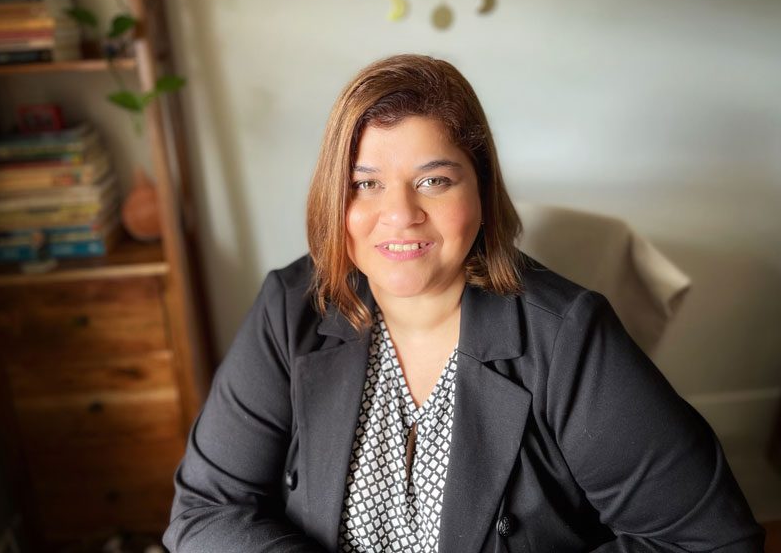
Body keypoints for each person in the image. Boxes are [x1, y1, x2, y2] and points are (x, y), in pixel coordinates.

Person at [163, 54, 764, 552]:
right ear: (334, 199)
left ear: (480, 192)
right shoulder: (288, 309)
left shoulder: (567, 336)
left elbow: (708, 540)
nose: (400, 214)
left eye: (434, 180)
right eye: (365, 184)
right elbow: (205, 512)